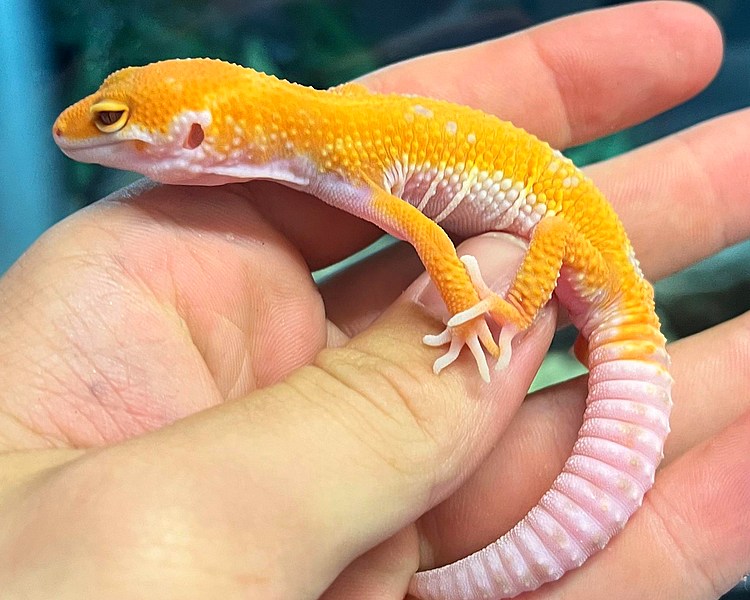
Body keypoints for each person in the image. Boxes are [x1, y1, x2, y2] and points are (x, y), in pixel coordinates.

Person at [1, 2, 748, 598]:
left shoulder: (339, 160)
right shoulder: (313, 143)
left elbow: (425, 234)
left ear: (198, 134)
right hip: (593, 274)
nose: (81, 127)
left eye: (114, 124)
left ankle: (521, 319)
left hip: (586, 260)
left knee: (527, 272)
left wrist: (500, 308)